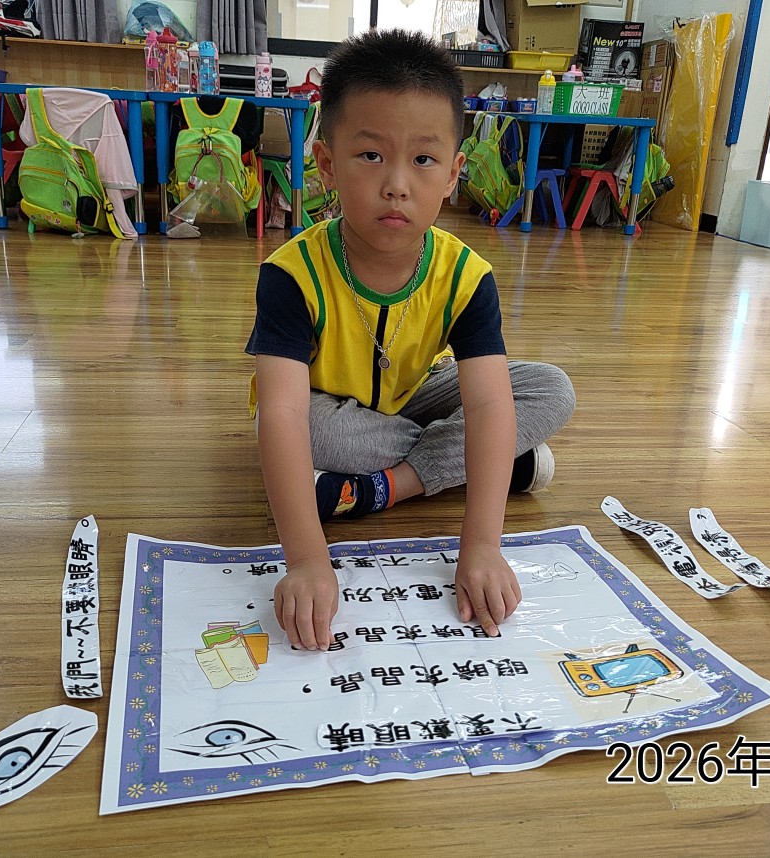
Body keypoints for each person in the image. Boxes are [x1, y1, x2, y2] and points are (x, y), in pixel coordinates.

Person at [246, 29, 575, 652]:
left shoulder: (467, 275)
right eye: (371, 155)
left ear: (453, 174)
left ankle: (393, 484)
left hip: (417, 390)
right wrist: (309, 561)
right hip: (330, 407)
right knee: (301, 428)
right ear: (326, 163)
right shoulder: (290, 274)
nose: (397, 183)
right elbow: (284, 412)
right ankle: (495, 462)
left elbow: (487, 401)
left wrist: (482, 545)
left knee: (549, 389)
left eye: (423, 160)